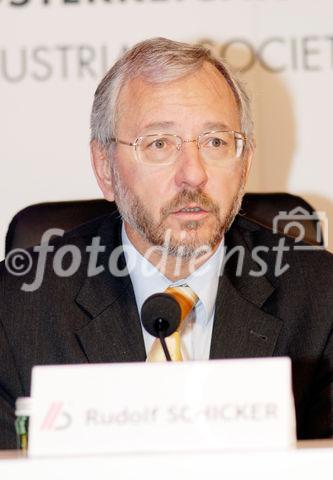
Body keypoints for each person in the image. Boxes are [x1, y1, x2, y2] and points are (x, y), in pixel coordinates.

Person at [0, 37, 333, 449]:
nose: (193, 174)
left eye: (216, 142)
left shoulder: (322, 300)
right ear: (105, 168)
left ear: (245, 164)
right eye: (159, 144)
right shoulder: (16, 310)